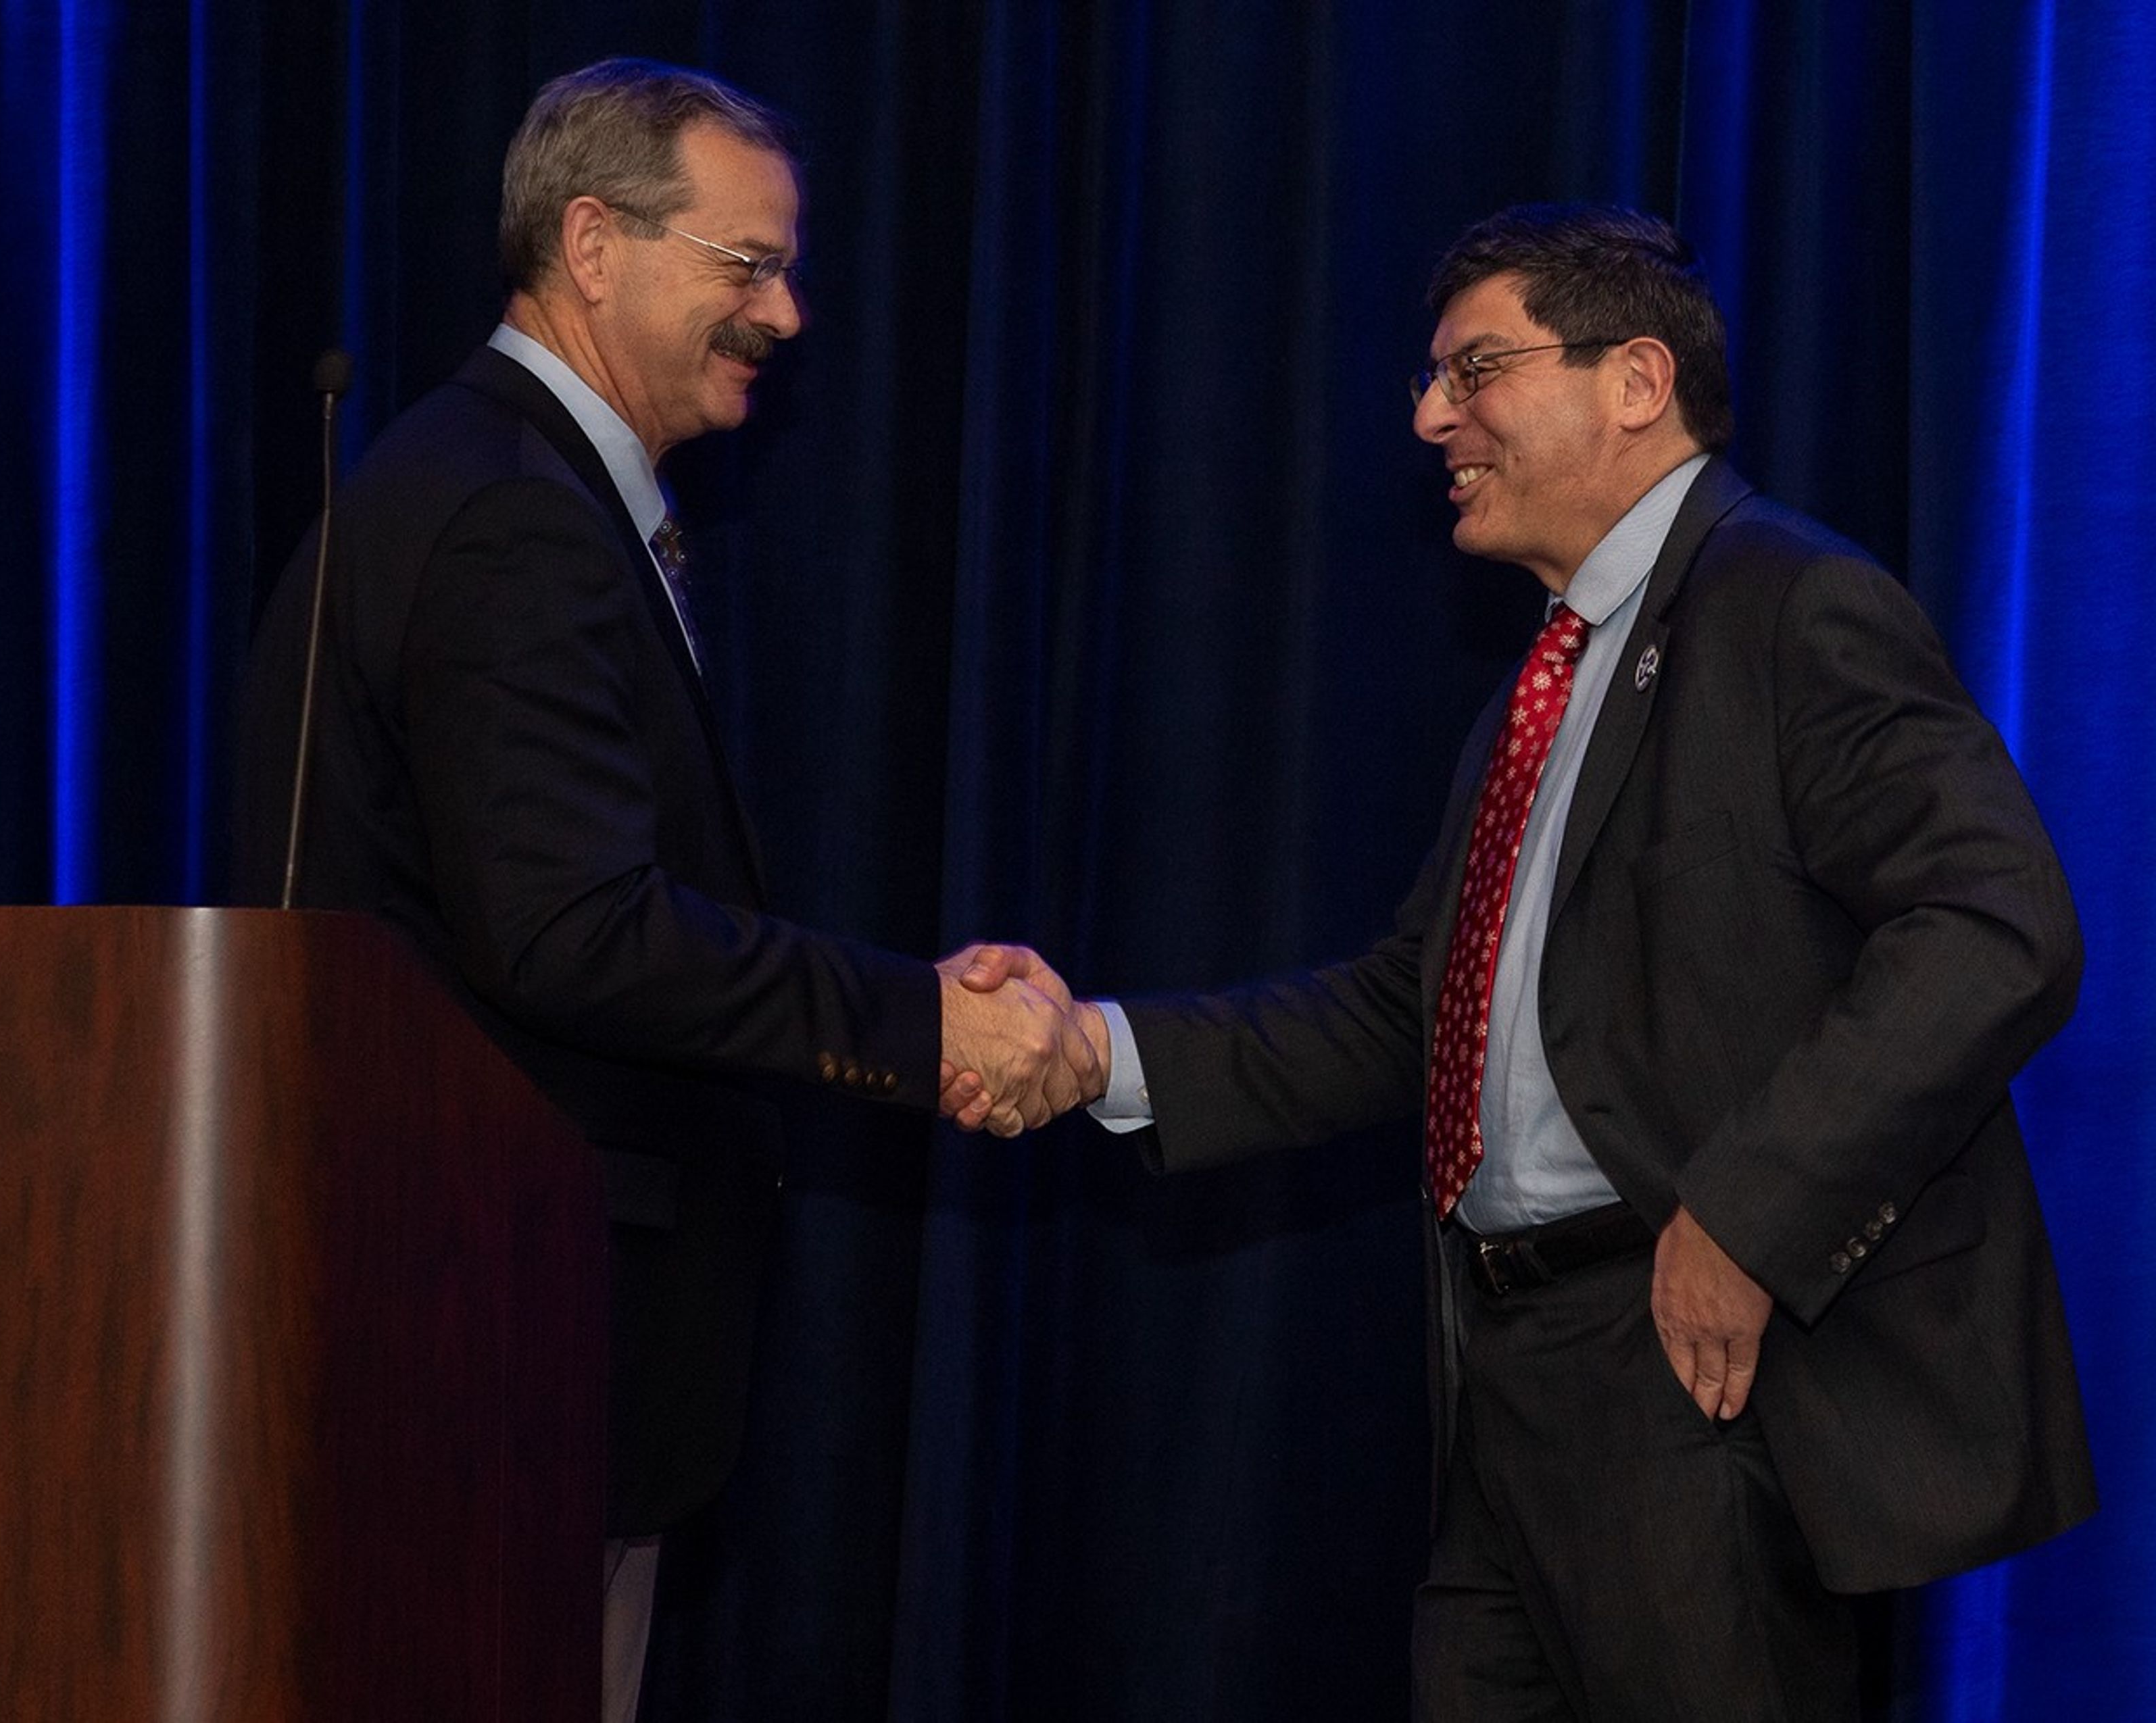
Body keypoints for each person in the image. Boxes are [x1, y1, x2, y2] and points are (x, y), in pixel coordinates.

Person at [987, 203, 2095, 1718]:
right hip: (1501, 1387)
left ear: (1635, 380)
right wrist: (1091, 1053)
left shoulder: (1790, 601)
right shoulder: (1547, 677)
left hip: (1691, 1377)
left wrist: (1747, 1217)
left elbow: (1993, 927)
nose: (1431, 416)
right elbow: (1408, 1013)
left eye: (1476, 369)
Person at [233, 59, 1096, 1723]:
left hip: (468, 1329)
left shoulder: (485, 485)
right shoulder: (507, 519)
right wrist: (922, 1023)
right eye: (748, 265)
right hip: (499, 1338)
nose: (788, 311)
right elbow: (573, 932)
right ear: (593, 244)